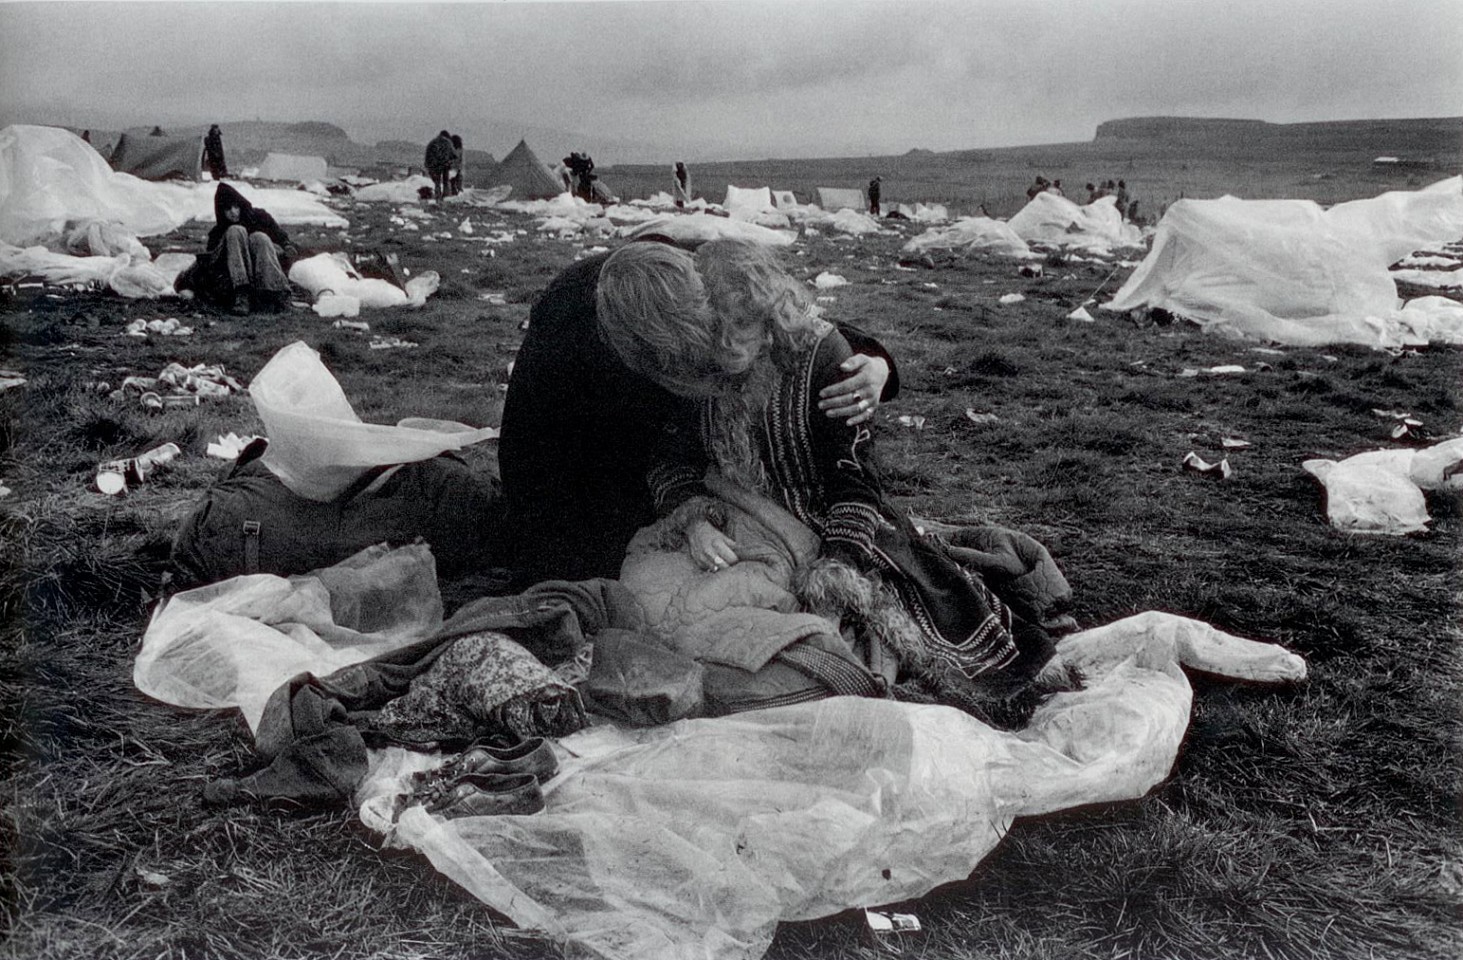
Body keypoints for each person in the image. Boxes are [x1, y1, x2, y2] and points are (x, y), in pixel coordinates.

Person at [603, 239, 1068, 728]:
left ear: (772, 312)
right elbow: (671, 458)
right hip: (740, 516)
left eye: (745, 325)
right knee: (659, 599)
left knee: (912, 615)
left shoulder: (826, 360)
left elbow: (854, 478)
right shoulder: (702, 364)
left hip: (829, 517)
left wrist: (839, 563)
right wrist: (695, 520)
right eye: (722, 327)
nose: (732, 344)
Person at [497, 240, 898, 589]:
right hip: (582, 485)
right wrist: (688, 519)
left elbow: (773, 314)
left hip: (728, 491)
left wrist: (877, 366)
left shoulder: (686, 272)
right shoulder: (575, 351)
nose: (722, 350)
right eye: (705, 345)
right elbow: (651, 457)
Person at [173, 183, 295, 316]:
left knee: (259, 237)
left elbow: (279, 235)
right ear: (221, 211)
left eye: (236, 207)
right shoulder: (218, 232)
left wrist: (287, 246)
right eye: (228, 209)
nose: (233, 212)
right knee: (235, 230)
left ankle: (273, 293)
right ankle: (242, 294)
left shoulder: (259, 217)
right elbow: (209, 263)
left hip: (259, 275)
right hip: (230, 282)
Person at [425, 130, 454, 201]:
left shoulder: (432, 142)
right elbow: (453, 154)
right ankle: (445, 196)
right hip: (445, 165)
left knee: (437, 182)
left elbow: (428, 154)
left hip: (436, 165)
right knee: (445, 181)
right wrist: (450, 161)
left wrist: (428, 164)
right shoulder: (448, 143)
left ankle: (438, 196)